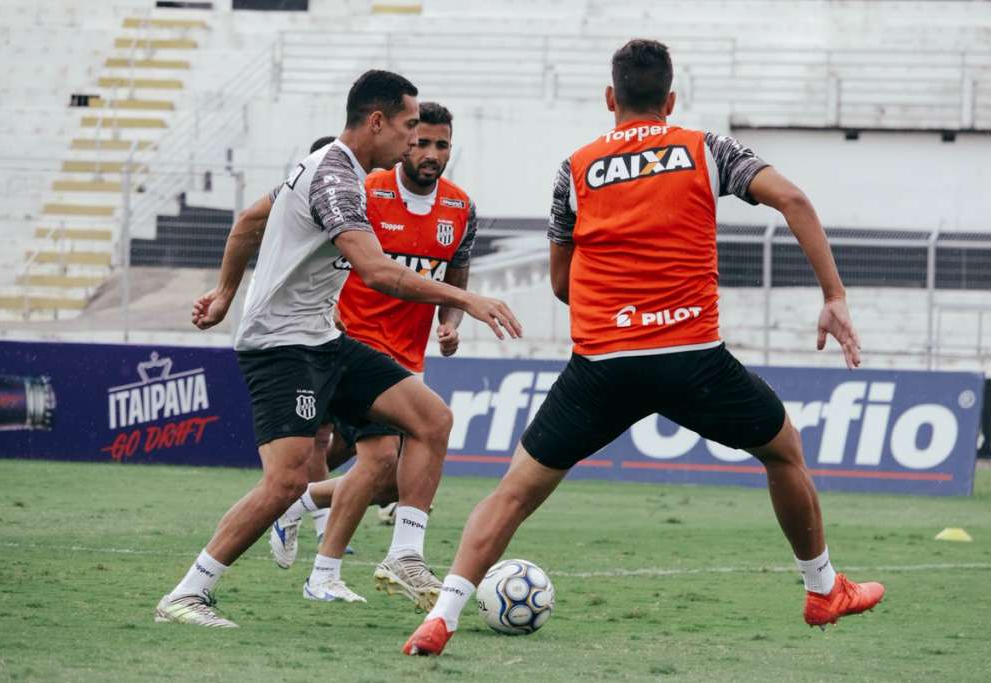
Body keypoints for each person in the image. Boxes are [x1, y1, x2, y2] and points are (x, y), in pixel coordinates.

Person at [403, 39, 884, 656]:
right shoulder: (706, 149)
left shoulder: (574, 167)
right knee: (784, 451)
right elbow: (792, 199)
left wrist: (621, 310)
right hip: (692, 358)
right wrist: (834, 295)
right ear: (670, 99)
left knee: (514, 492)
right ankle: (822, 589)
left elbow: (559, 283)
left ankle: (441, 617)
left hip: (602, 365)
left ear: (611, 98)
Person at [154, 69, 521, 628]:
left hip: (324, 336)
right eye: (406, 127)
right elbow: (375, 271)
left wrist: (227, 291)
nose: (411, 141)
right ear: (376, 122)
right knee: (287, 482)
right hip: (281, 345)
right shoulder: (337, 178)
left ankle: (404, 556)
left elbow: (251, 219)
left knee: (431, 419)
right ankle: (188, 592)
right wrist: (466, 300)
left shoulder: (333, 167)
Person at [269, 101, 479, 609]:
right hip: (355, 345)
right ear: (405, 142)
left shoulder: (461, 210)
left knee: (384, 480)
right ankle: (329, 571)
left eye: (442, 144)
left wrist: (450, 326)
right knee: (381, 455)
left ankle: (294, 501)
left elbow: (456, 280)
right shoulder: (365, 192)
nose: (431, 154)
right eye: (422, 142)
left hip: (406, 358)